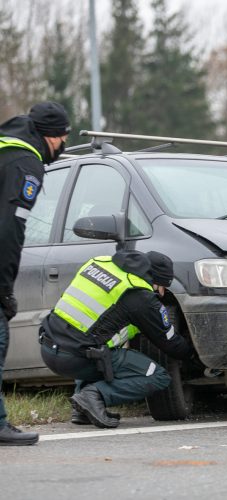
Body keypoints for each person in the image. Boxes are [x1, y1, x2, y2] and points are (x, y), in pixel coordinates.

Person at [39, 250, 194, 429]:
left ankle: (82, 409)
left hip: (48, 348)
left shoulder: (98, 262)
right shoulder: (139, 295)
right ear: (156, 280)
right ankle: (94, 396)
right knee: (158, 376)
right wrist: (190, 354)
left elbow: (97, 316)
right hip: (76, 358)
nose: (161, 293)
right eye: (163, 287)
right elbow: (169, 342)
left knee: (94, 339)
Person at [0, 101, 70, 446]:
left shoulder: (5, 147)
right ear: (52, 136)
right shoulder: (26, 164)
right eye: (63, 137)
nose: (63, 145)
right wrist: (4, 288)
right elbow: (9, 231)